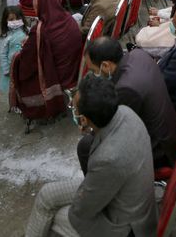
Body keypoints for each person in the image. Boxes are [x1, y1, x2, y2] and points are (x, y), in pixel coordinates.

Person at [24, 76, 157, 237]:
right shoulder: (125, 112)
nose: (73, 108)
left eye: (75, 108)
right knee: (47, 194)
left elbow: (81, 212)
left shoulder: (108, 159)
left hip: (125, 227)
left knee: (54, 217)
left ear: (85, 119)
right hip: (125, 194)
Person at [81, 37, 176, 172]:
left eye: (93, 70)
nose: (93, 75)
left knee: (86, 145)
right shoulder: (138, 54)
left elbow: (112, 128)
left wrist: (90, 126)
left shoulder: (127, 88)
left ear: (106, 65)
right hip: (168, 132)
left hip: (158, 150)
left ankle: (101, 187)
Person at [11, 0, 83, 119]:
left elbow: (27, 61)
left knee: (17, 62)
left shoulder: (40, 30)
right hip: (77, 68)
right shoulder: (68, 18)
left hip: (60, 75)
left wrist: (19, 55)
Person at [0, 6, 27, 96]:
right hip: (12, 67)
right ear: (6, 21)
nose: (15, 21)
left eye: (18, 18)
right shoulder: (5, 37)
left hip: (25, 65)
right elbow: (2, 54)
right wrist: (6, 70)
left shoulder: (26, 30)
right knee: (15, 88)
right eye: (11, 19)